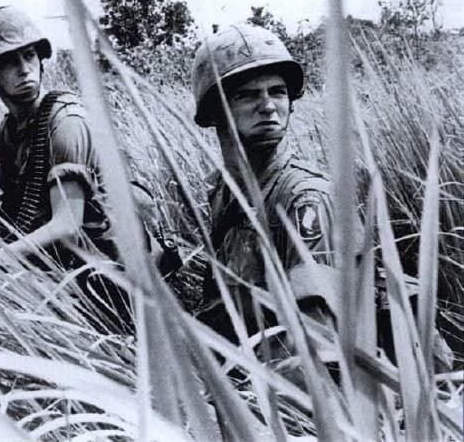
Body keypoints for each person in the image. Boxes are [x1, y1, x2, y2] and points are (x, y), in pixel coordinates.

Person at [189, 22, 453, 372]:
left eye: (277, 92)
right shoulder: (225, 193)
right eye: (247, 95)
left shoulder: (305, 198)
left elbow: (318, 347)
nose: (268, 106)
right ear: (215, 111)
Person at [0, 5, 136, 333]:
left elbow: (67, 224)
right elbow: (12, 207)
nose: (24, 69)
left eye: (29, 56)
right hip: (61, 258)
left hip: (107, 270)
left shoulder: (65, 121)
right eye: (10, 62)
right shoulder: (9, 132)